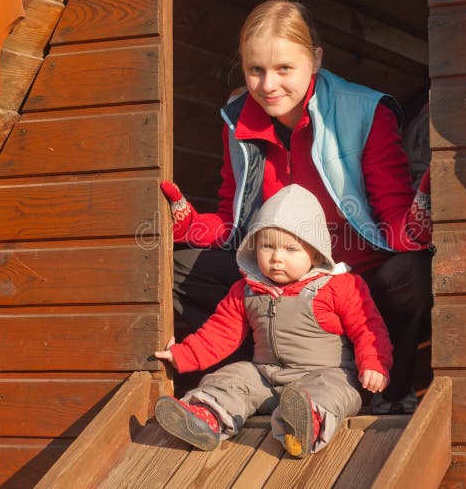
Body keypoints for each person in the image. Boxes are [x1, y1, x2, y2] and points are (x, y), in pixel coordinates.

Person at [162, 0, 432, 413]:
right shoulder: (238, 123)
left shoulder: (366, 111)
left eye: (284, 68)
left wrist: (415, 225)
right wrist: (187, 224)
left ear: (316, 59)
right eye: (256, 70)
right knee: (181, 267)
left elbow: (392, 217)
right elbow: (230, 218)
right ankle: (242, 382)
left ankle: (390, 391)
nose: (268, 85)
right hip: (276, 275)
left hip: (354, 279)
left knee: (409, 272)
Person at [154, 185, 392, 457]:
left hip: (326, 373)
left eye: (291, 249)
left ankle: (304, 425)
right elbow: (220, 332)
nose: (277, 258)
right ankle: (206, 417)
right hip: (267, 376)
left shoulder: (338, 286)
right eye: (267, 246)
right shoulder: (247, 290)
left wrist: (374, 363)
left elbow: (368, 327)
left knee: (333, 390)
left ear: (315, 253)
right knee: (234, 375)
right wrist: (183, 354)